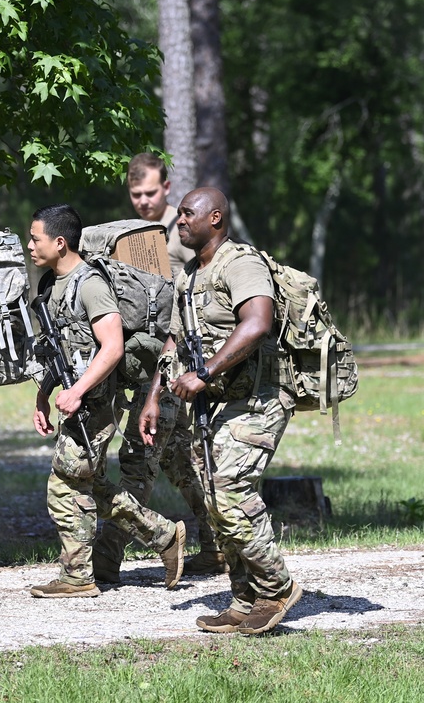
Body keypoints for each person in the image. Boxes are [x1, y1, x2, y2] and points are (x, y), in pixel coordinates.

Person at [140, 187, 303, 635]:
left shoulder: (242, 263)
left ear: (215, 218)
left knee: (231, 489)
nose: (180, 222)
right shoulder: (189, 276)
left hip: (257, 399)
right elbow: (174, 342)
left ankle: (277, 586)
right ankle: (243, 597)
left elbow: (257, 323)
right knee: (211, 499)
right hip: (213, 404)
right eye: (179, 216)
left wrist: (206, 373)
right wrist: (155, 396)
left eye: (188, 214)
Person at [27, 204, 185, 598]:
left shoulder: (90, 285)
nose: (29, 245)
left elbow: (112, 348)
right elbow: (59, 351)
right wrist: (43, 396)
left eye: (35, 238)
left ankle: (78, 576)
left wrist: (77, 392)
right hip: (75, 399)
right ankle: (163, 535)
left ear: (60, 243)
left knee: (65, 483)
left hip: (96, 402)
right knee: (88, 481)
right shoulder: (50, 285)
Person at [93, 153, 225, 583]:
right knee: (178, 462)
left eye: (151, 192)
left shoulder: (187, 231)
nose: (144, 201)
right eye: (136, 194)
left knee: (139, 459)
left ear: (166, 188)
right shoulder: (131, 237)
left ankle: (106, 559)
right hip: (138, 368)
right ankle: (219, 544)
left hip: (174, 368)